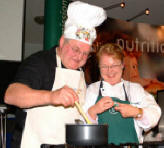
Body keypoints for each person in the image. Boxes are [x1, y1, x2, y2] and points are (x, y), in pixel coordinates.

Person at [4, 1, 107, 148]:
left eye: (85, 53)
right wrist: (51, 96)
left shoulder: (80, 72)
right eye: (76, 49)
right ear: (62, 41)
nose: (79, 57)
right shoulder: (40, 62)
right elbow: (11, 95)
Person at [83, 43, 161, 146]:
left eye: (114, 65)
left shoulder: (135, 89)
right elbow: (81, 127)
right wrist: (93, 111)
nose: (110, 71)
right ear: (99, 67)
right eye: (104, 66)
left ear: (122, 65)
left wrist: (137, 112)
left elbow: (155, 113)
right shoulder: (92, 90)